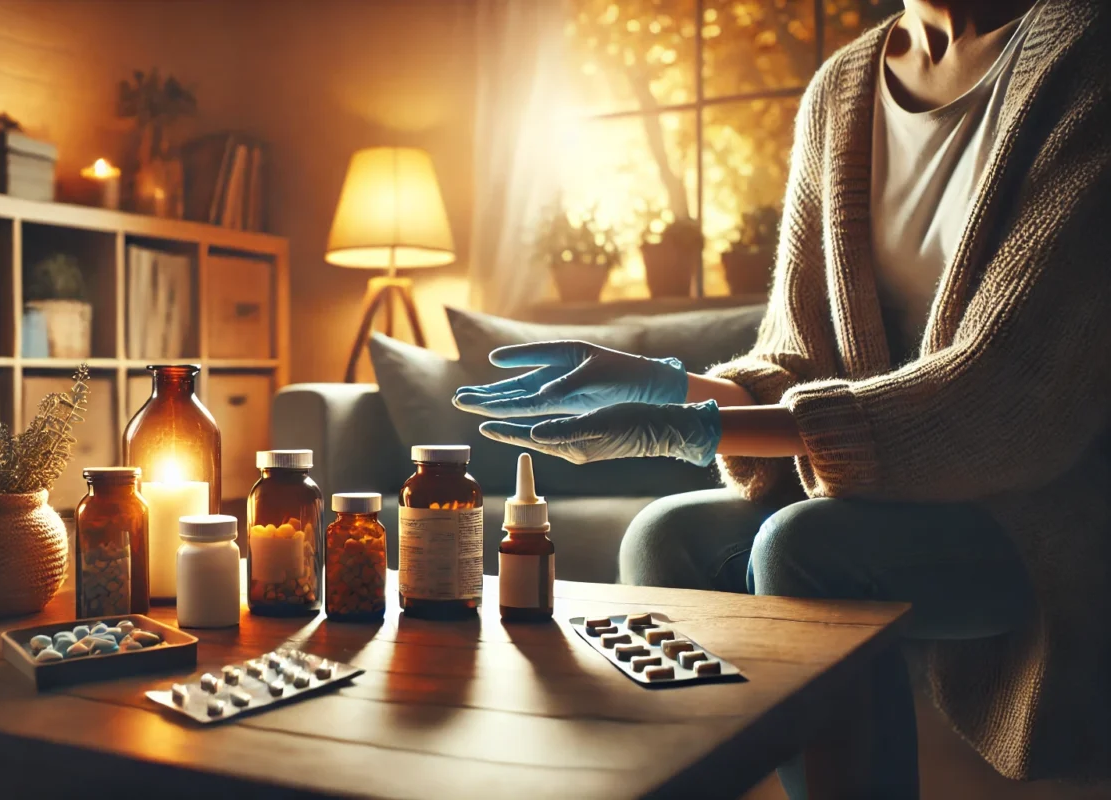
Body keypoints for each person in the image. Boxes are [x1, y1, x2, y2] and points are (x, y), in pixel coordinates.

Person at [454, 1, 1110, 797]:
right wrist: (661, 384)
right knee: (664, 536)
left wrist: (690, 431)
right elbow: (798, 358)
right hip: (883, 501)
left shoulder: (1086, 52)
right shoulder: (841, 89)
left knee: (806, 545)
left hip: (1035, 512)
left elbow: (1011, 396)